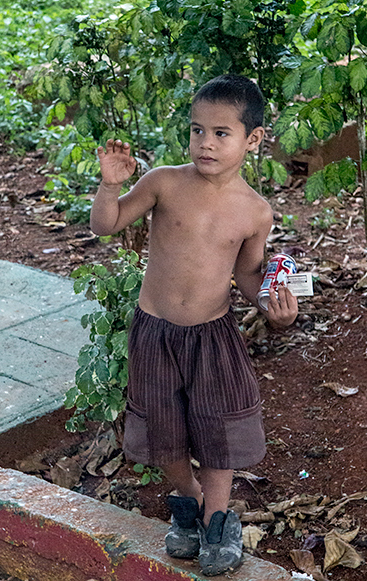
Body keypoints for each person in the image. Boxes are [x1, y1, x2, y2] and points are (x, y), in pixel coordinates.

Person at [90, 74, 298, 576]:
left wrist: (273, 306)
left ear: (253, 139)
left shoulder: (255, 211)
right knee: (164, 426)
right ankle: (189, 500)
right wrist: (110, 184)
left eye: (221, 133)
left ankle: (219, 517)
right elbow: (106, 224)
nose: (206, 142)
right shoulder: (164, 182)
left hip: (212, 334)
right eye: (197, 130)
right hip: (155, 331)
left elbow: (249, 275)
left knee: (218, 425)